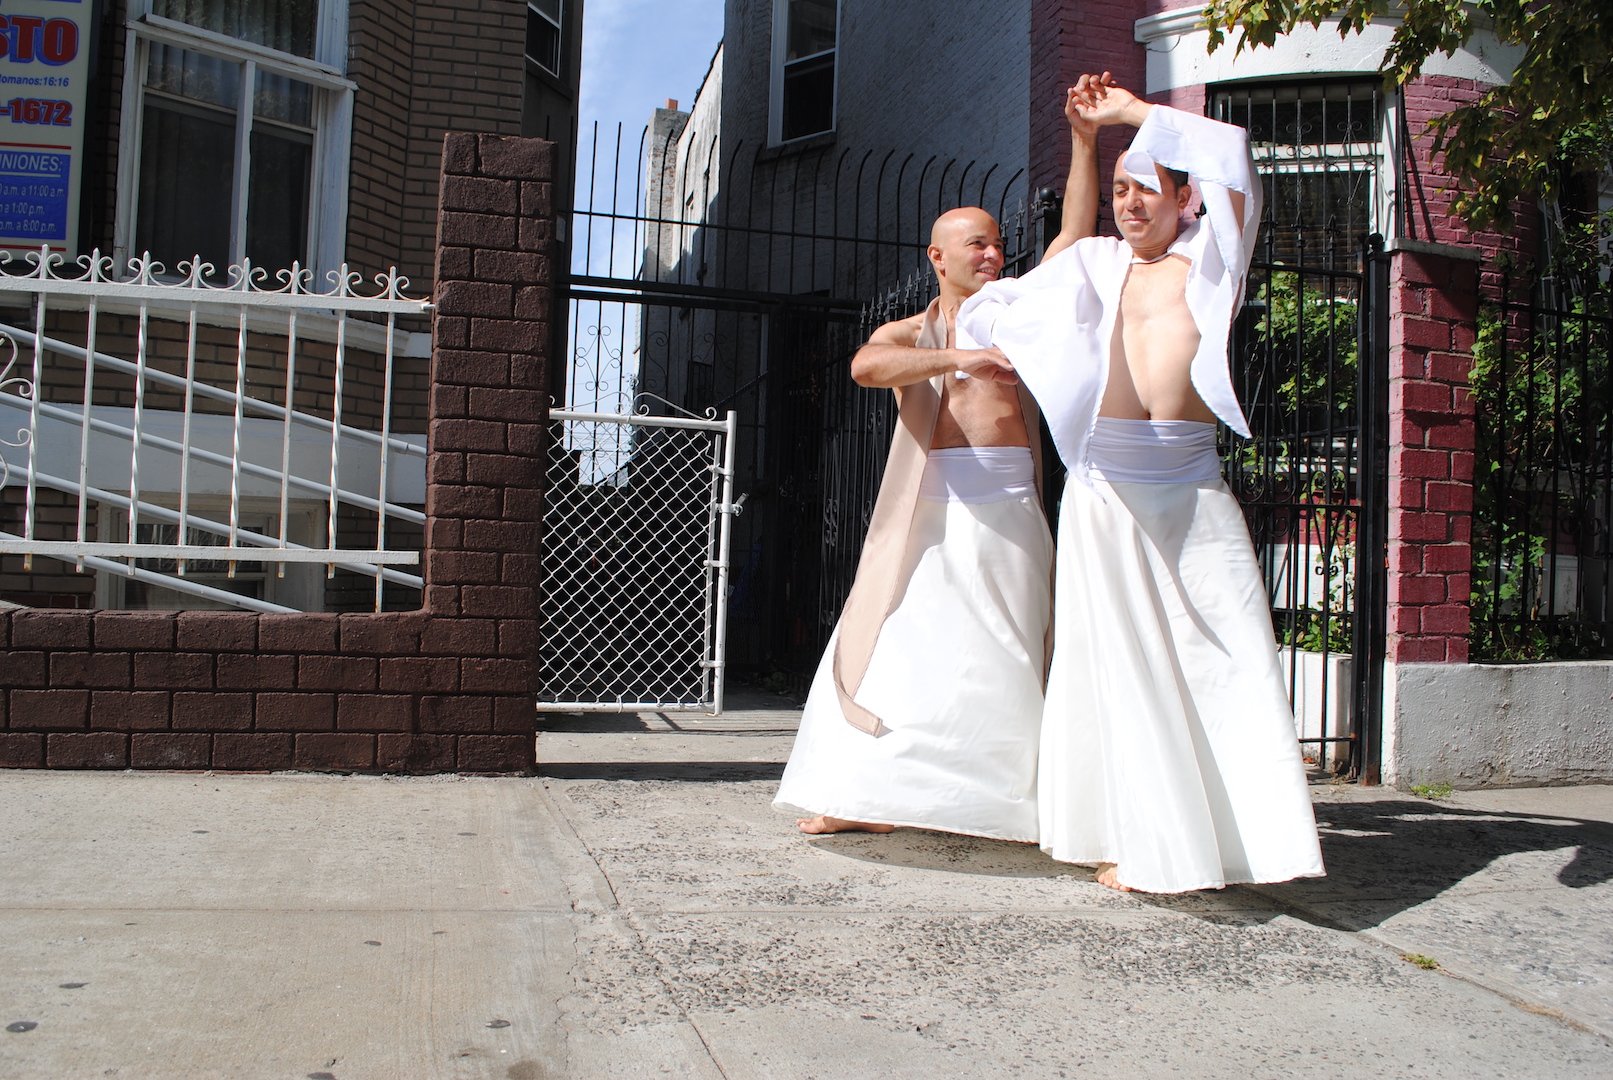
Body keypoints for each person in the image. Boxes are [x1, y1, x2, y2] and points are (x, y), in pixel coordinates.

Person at [957, 78, 1326, 892]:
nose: (1127, 204)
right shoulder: (1093, 264)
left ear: (1184, 200)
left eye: (1145, 188)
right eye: (1119, 190)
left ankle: (1240, 844)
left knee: (1222, 658)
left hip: (1189, 483)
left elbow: (1232, 155)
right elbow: (999, 302)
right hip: (1103, 487)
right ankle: (1132, 837)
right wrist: (1085, 143)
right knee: (1112, 667)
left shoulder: (1216, 259)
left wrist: (1128, 115)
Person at [773, 80, 1109, 840]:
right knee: (900, 645)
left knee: (1006, 650)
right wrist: (960, 355)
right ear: (938, 257)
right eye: (977, 244)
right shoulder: (909, 333)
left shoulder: (1020, 308)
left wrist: (1083, 140)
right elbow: (864, 367)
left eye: (996, 242)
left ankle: (1024, 807)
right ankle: (864, 793)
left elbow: (1075, 237)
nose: (993, 253)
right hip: (928, 511)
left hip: (1009, 510)